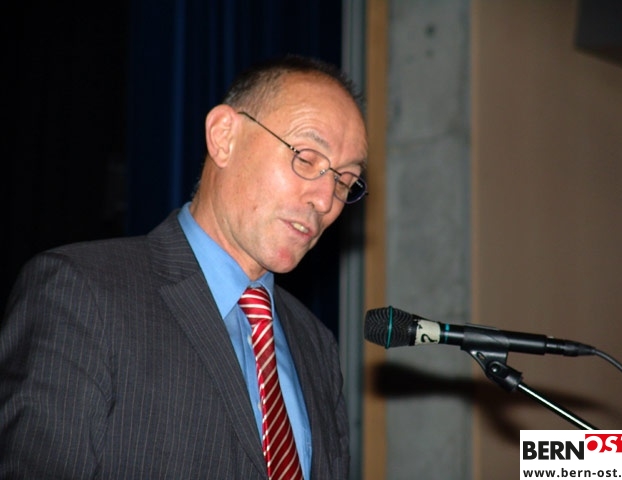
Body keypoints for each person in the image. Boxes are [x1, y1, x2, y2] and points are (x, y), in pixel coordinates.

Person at [0, 55, 368, 479]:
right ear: (224, 136)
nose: (324, 200)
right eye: (306, 158)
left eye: (344, 181)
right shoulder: (82, 292)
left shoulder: (316, 344)